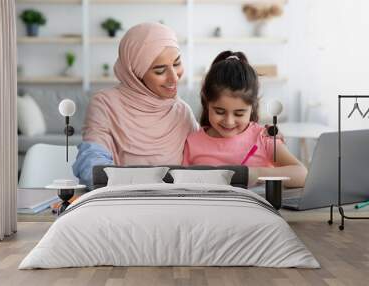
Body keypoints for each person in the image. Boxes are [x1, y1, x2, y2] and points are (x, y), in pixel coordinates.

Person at [72, 23, 198, 186]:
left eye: (176, 63)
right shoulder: (105, 104)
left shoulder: (182, 111)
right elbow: (91, 162)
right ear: (136, 73)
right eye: (160, 70)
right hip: (123, 202)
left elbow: (202, 157)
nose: (174, 77)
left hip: (174, 202)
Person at [182, 51, 307, 188]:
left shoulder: (263, 138)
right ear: (206, 104)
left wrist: (256, 174)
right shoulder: (192, 142)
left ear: (252, 107)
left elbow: (301, 174)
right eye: (219, 111)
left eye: (239, 114)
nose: (229, 121)